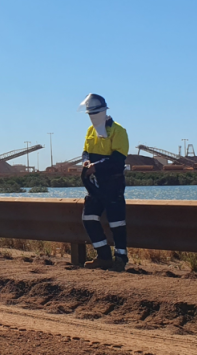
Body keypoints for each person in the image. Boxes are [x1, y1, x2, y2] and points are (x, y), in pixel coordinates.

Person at [78, 93, 129, 271]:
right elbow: (86, 151)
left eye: (95, 113)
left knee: (117, 222)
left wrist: (96, 167)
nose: (92, 117)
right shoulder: (90, 131)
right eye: (90, 114)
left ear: (104, 112)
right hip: (96, 185)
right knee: (89, 217)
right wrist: (86, 162)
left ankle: (121, 258)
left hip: (113, 184)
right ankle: (104, 256)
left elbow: (118, 160)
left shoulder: (118, 131)